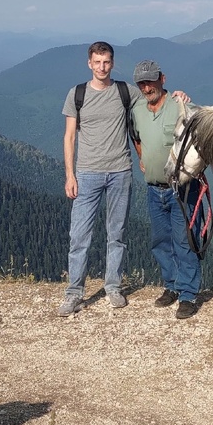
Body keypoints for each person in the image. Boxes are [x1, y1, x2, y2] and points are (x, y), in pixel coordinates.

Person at [58, 41, 141, 315]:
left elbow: (155, 99)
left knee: (116, 234)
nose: (102, 67)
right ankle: (74, 293)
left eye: (106, 62)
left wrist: (177, 95)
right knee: (79, 235)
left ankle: (113, 286)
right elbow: (69, 137)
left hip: (120, 171)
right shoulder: (77, 94)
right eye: (97, 62)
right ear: (89, 64)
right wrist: (70, 175)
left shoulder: (125, 91)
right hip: (87, 173)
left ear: (112, 64)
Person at [132, 59, 202, 319]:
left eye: (150, 81)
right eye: (141, 83)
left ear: (162, 79)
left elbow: (202, 135)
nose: (146, 87)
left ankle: (187, 294)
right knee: (161, 241)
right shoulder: (138, 109)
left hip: (181, 189)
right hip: (153, 188)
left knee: (185, 240)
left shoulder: (182, 106)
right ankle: (171, 286)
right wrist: (143, 157)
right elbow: (136, 136)